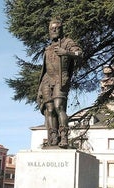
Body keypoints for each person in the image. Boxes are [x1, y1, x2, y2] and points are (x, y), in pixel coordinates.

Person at [37, 18, 82, 148]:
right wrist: (40, 86)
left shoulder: (68, 43)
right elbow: (44, 68)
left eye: (56, 28)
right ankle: (53, 138)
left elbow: (79, 53)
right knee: (49, 109)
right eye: (52, 28)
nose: (54, 30)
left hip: (60, 79)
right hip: (46, 80)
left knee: (59, 107)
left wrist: (66, 52)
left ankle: (64, 137)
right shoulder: (48, 48)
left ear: (62, 29)